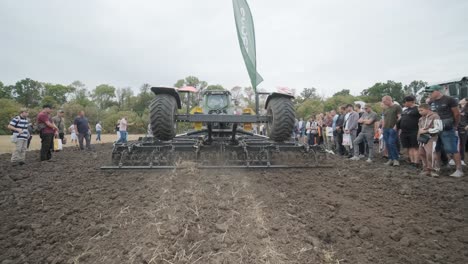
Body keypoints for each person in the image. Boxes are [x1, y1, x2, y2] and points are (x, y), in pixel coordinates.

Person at [427, 85, 464, 177]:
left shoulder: (449, 99)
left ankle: (459, 170)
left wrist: (455, 125)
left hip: (447, 127)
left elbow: (457, 114)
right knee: (436, 149)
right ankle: (437, 168)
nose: (429, 94)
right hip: (435, 128)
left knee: (451, 148)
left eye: (431, 92)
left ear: (438, 91)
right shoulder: (431, 102)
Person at [417, 104, 443, 177]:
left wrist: (426, 131)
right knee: (422, 153)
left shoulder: (435, 116)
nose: (420, 112)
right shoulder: (421, 119)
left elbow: (439, 128)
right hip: (422, 139)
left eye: (421, 110)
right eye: (419, 110)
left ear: (427, 109)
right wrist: (418, 138)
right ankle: (426, 169)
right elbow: (420, 129)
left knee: (430, 154)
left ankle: (434, 170)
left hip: (431, 138)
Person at [398, 96, 421, 167]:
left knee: (415, 147)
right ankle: (412, 161)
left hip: (414, 130)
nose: (404, 104)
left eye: (405, 102)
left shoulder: (418, 109)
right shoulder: (405, 110)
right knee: (409, 147)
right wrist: (399, 129)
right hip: (405, 131)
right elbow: (401, 120)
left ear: (410, 102)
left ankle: (416, 162)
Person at [381, 96, 402, 166]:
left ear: (389, 100)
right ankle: (390, 159)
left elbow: (399, 117)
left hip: (393, 128)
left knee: (391, 143)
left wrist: (396, 126)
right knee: (387, 144)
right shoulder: (385, 109)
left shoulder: (397, 107)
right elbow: (384, 119)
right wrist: (382, 128)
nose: (383, 103)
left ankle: (396, 159)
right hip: (385, 128)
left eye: (384, 101)